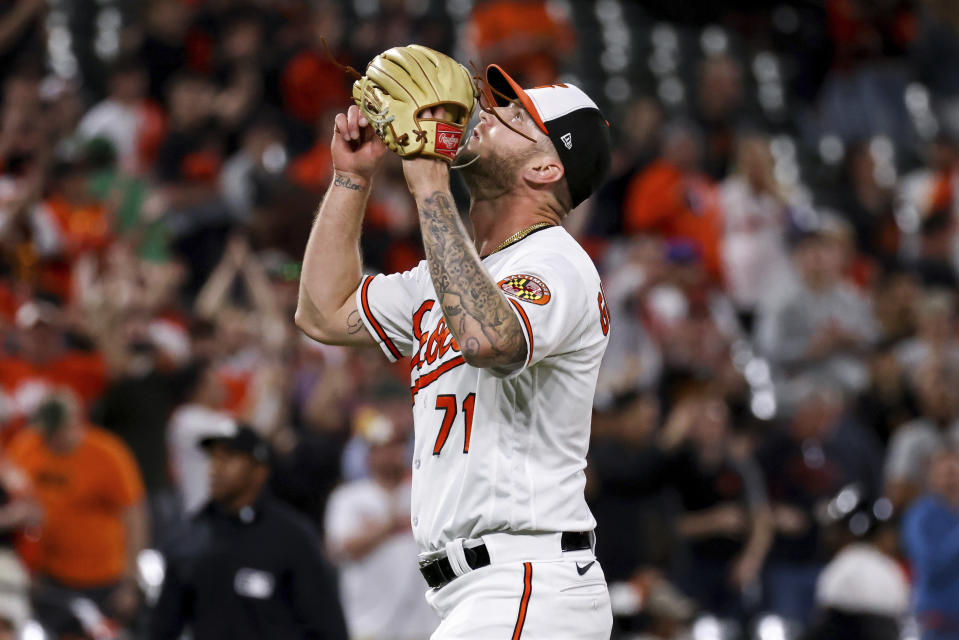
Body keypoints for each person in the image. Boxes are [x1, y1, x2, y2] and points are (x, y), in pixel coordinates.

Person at [296, 61, 614, 638]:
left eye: (518, 115)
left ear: (546, 167)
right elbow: (322, 310)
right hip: (474, 592)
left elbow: (487, 338)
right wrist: (351, 180)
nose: (488, 112)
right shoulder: (442, 278)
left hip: (526, 580)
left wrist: (429, 186)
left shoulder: (557, 262)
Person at [149, 423, 347, 640]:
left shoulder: (292, 537)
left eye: (229, 457)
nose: (216, 468)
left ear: (259, 471)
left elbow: (326, 625)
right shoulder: (191, 535)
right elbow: (163, 627)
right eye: (214, 458)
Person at [5, 389, 147, 636]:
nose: (53, 439)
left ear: (76, 423)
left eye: (60, 430)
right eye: (48, 432)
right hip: (49, 579)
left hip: (103, 579)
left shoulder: (107, 453)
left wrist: (130, 582)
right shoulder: (27, 445)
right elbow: (16, 496)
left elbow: (135, 516)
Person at [325, 407, 439, 640]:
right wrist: (389, 526)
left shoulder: (424, 493)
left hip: (422, 624)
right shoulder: (349, 497)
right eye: (383, 447)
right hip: (369, 624)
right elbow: (344, 548)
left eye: (397, 445)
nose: (391, 453)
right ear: (369, 454)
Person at [902, 445, 959, 640]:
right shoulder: (920, 516)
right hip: (937, 623)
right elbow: (932, 565)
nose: (951, 477)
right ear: (931, 478)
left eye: (955, 470)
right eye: (944, 472)